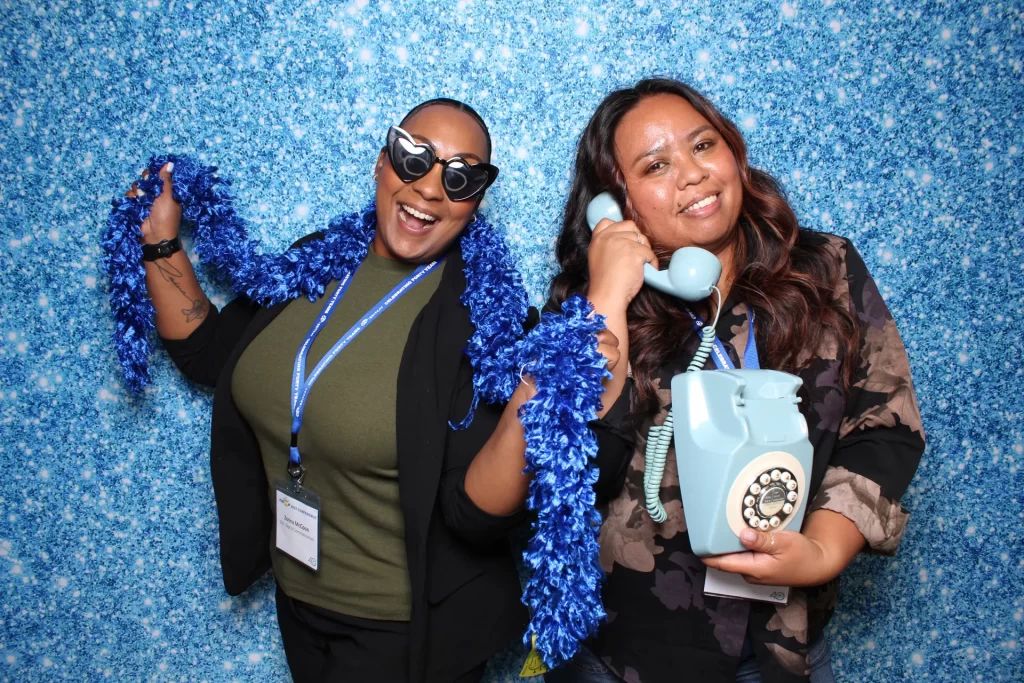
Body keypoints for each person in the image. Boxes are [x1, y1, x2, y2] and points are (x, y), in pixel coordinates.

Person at [122, 97, 623, 683]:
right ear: (382, 163)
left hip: (406, 634)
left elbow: (477, 513)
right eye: (414, 159)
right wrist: (159, 241)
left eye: (460, 178)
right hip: (300, 602)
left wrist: (543, 378)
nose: (430, 188)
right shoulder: (315, 261)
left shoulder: (489, 324)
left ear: (476, 200)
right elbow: (210, 353)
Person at [542, 78, 925, 682]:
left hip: (781, 646)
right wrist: (608, 296)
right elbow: (572, 472)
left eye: (703, 146)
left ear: (734, 153)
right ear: (617, 203)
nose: (693, 174)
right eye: (656, 165)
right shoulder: (590, 307)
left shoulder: (827, 270)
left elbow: (884, 426)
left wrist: (821, 551)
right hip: (621, 651)